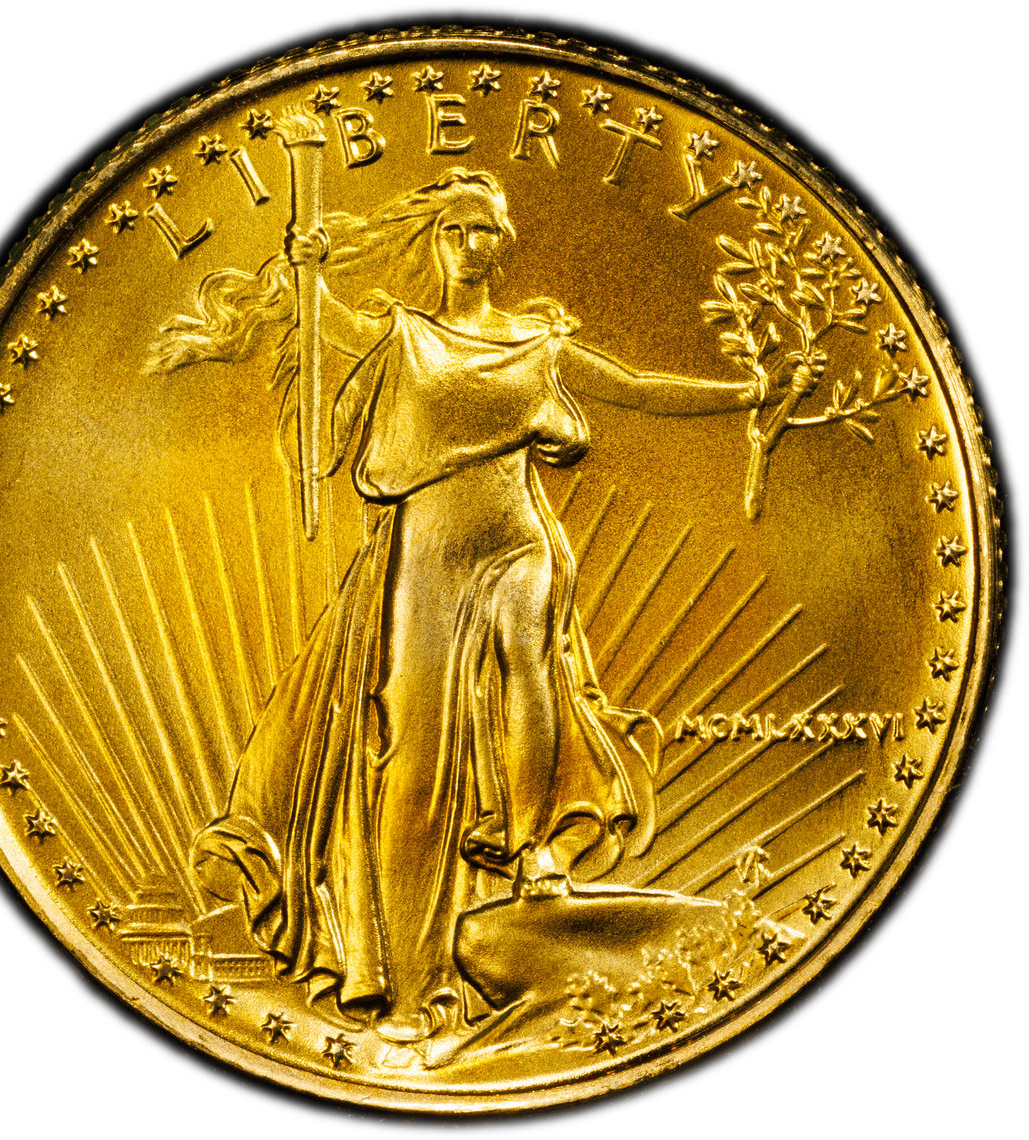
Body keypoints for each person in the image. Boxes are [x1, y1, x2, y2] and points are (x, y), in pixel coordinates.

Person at [157, 169, 789, 1044]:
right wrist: (307, 270)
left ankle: (533, 848)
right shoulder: (405, 336)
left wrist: (750, 395)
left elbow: (640, 386)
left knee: (528, 661)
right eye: (455, 229)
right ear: (437, 242)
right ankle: (404, 975)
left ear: (504, 243)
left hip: (519, 540)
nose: (469, 243)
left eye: (484, 229)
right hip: (426, 555)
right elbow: (329, 322)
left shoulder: (538, 346)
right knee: (411, 744)